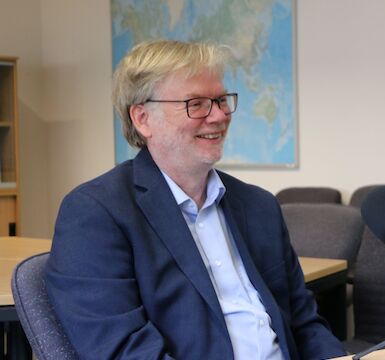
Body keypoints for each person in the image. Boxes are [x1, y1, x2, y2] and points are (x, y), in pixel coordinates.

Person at [45, 39, 346, 360]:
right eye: (197, 103)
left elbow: (303, 323)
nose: (218, 115)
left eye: (221, 100)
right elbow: (122, 350)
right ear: (143, 118)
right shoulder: (97, 212)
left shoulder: (259, 206)